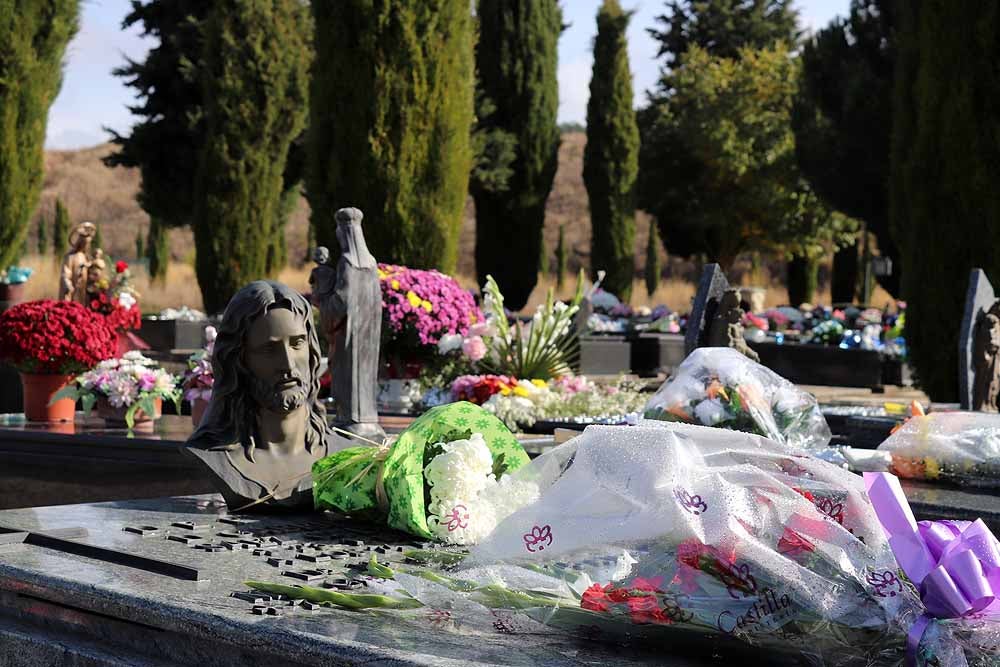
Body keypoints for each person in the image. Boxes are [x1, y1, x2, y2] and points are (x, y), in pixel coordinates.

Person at [182, 281, 350, 511]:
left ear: (312, 350)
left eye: (297, 343)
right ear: (239, 360)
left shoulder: (347, 456)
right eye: (269, 350)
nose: (288, 365)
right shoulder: (212, 454)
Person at [310, 207, 385, 441]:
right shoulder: (370, 262)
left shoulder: (347, 262)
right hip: (368, 332)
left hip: (349, 332)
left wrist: (323, 300)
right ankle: (366, 419)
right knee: (363, 375)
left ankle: (350, 420)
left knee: (347, 374)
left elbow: (342, 300)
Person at [59, 221, 96, 304]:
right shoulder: (70, 257)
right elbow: (65, 273)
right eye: (85, 244)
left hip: (83, 291)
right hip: (73, 290)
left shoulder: (85, 257)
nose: (86, 246)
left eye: (88, 244)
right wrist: (68, 284)